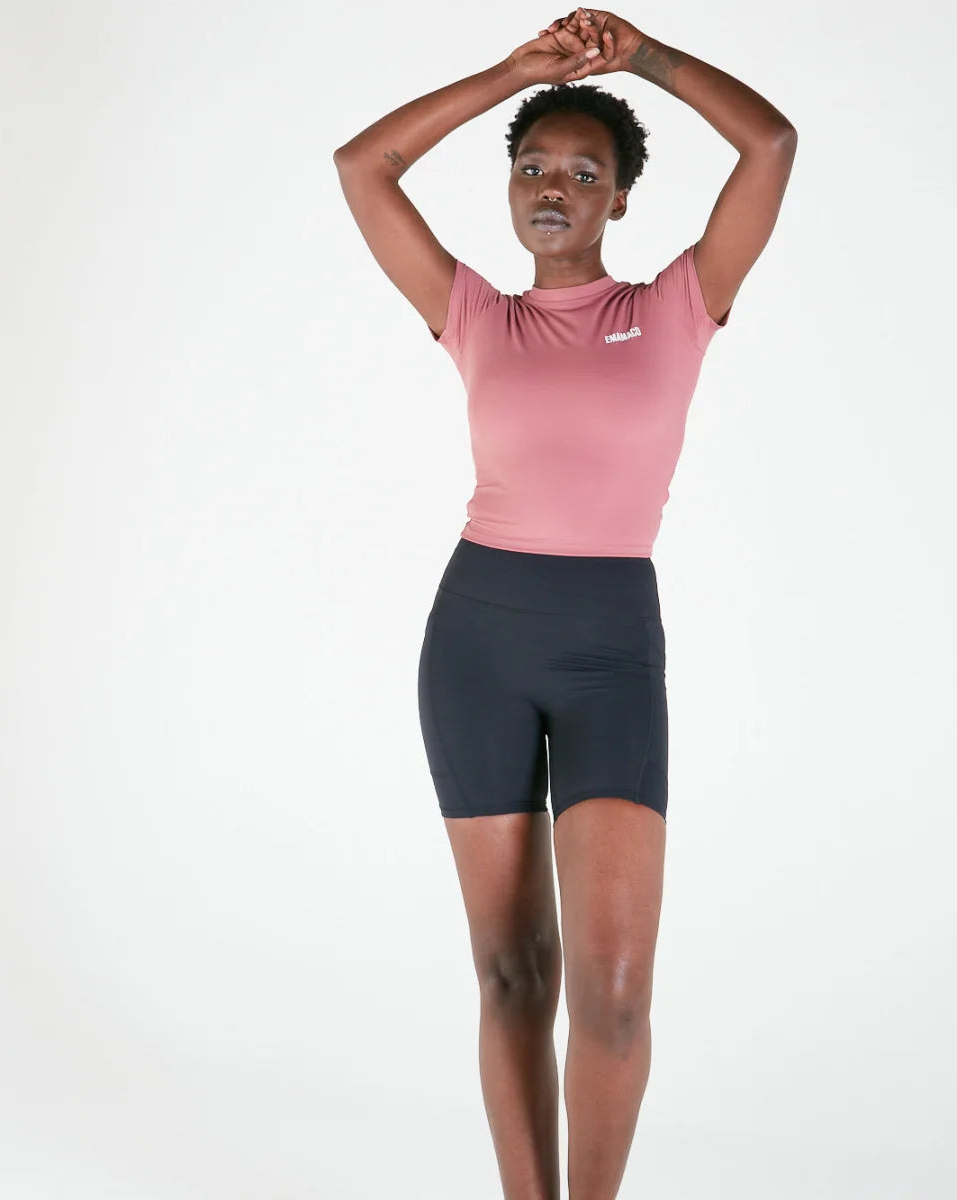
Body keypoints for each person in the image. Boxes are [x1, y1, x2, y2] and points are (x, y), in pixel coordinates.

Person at [333, 9, 796, 1197]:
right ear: (509, 188)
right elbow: (360, 167)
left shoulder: (684, 303)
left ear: (618, 203)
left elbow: (772, 147)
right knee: (511, 976)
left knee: (617, 996)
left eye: (585, 173)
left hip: (609, 655)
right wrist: (508, 79)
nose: (554, 186)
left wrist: (641, 61)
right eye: (534, 167)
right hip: (477, 642)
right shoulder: (477, 313)